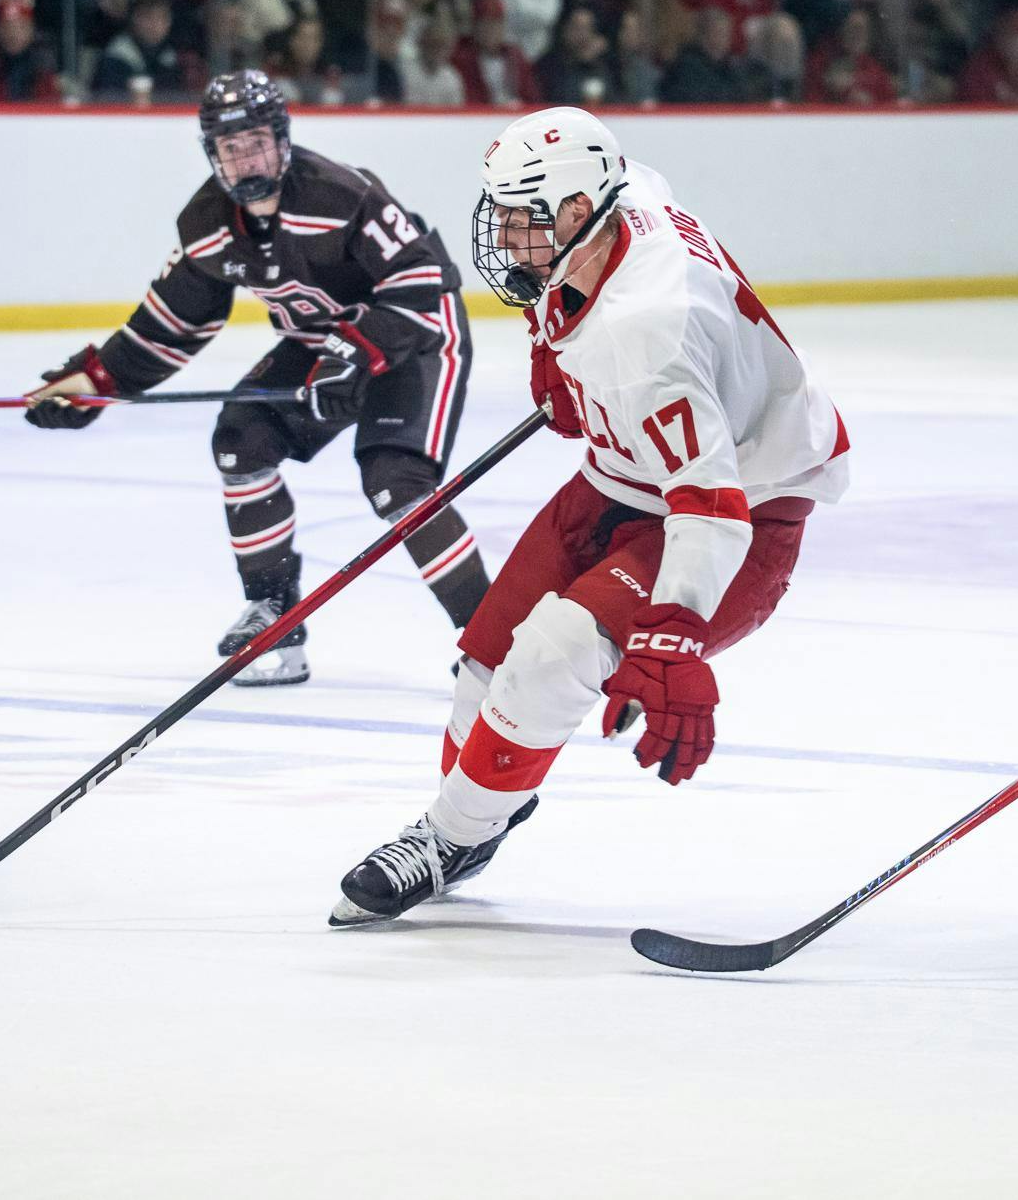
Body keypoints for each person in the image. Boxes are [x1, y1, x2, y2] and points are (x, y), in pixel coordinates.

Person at [330, 107, 850, 925]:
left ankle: (448, 835)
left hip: (742, 503)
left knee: (551, 654)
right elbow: (635, 189)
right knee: (485, 662)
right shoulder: (618, 194)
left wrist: (672, 631)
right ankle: (476, 815)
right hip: (625, 476)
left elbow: (709, 506)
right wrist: (556, 340)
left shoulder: (647, 333)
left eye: (517, 219)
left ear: (575, 211)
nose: (501, 237)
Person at [23, 71, 490, 684]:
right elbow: (168, 326)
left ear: (283, 139)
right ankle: (276, 617)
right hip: (322, 345)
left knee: (395, 482)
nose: (247, 161)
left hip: (415, 338)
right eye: (231, 148)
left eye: (258, 142)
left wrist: (357, 352)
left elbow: (421, 280)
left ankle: (498, 647)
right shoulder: (206, 226)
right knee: (241, 439)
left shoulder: (340, 195)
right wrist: (94, 383)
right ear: (212, 155)